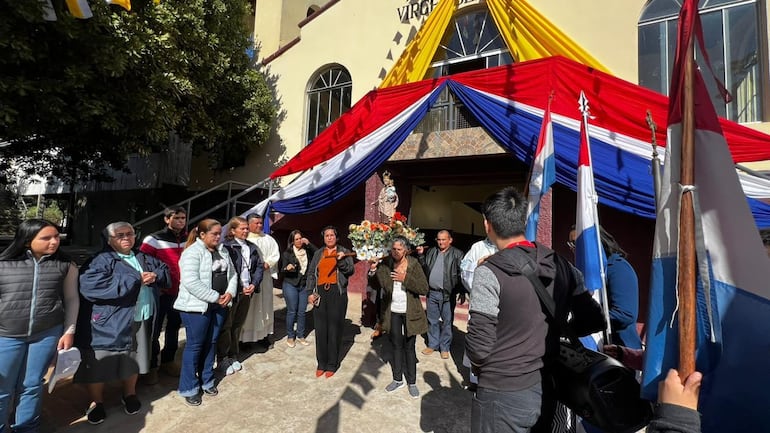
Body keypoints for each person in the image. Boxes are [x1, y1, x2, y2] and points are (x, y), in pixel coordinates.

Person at [466, 187, 604, 433]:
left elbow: (478, 349)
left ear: (487, 225)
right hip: (547, 386)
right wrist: (554, 331)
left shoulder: (489, 272)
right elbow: (594, 320)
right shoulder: (563, 265)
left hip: (502, 391)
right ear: (523, 221)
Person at [75, 222, 169, 425]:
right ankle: (96, 402)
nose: (126, 238)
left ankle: (129, 393)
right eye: (120, 235)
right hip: (110, 322)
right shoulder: (99, 260)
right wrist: (136, 279)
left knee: (134, 358)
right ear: (109, 239)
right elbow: (91, 287)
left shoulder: (143, 257)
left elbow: (164, 270)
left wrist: (156, 275)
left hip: (142, 316)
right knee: (98, 363)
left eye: (130, 234)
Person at [0, 219, 79, 433]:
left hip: (46, 334)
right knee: (2, 387)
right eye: (46, 238)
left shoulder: (66, 264)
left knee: (32, 385)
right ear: (27, 241)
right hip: (6, 336)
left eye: (56, 237)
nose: (54, 242)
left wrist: (69, 330)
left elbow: (72, 299)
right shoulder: (4, 263)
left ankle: (26, 428)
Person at [174, 219, 237, 406]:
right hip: (196, 308)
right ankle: (189, 387)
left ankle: (207, 379)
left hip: (219, 306)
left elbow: (232, 274)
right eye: (214, 234)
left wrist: (229, 293)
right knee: (195, 345)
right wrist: (215, 297)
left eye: (220, 233)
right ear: (202, 235)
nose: (219, 237)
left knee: (211, 342)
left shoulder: (223, 250)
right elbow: (191, 281)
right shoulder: (192, 253)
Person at [368, 236, 429, 398]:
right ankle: (397, 379)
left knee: (409, 347)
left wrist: (405, 278)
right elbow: (380, 286)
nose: (395, 252)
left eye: (399, 249)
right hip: (392, 311)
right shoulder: (387, 264)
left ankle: (412, 382)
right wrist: (374, 269)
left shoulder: (414, 264)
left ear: (407, 250)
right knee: (396, 345)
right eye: (393, 249)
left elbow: (424, 288)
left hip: (410, 312)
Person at [568, 226, 643, 349]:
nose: (573, 249)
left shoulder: (618, 267)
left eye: (577, 243)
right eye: (570, 244)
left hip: (619, 350)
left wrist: (589, 319)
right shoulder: (582, 273)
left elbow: (625, 314)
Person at [139, 206, 187, 383]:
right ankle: (152, 365)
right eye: (177, 218)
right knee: (154, 329)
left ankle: (168, 360)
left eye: (183, 218)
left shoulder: (188, 239)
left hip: (180, 293)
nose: (181, 221)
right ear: (167, 219)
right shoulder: (153, 240)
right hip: (159, 293)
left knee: (174, 327)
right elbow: (142, 262)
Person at [306, 226, 355, 378]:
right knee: (320, 329)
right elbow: (311, 273)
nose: (329, 238)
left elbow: (350, 270)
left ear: (337, 237)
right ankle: (321, 362)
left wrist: (340, 260)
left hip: (336, 293)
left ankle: (332, 364)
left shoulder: (344, 251)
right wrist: (309, 292)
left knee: (334, 329)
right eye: (326, 235)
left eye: (332, 235)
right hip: (320, 293)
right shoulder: (318, 253)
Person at [219, 216, 263, 374]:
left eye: (246, 228)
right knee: (227, 325)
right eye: (242, 228)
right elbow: (226, 272)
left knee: (238, 324)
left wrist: (254, 284)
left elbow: (258, 266)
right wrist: (238, 288)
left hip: (247, 292)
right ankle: (222, 358)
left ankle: (233, 354)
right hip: (233, 293)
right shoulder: (227, 247)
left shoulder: (251, 246)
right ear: (232, 230)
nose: (245, 231)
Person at [416, 230, 464, 359]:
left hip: (448, 294)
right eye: (439, 239)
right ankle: (432, 345)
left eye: (443, 239)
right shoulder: (432, 251)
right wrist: (421, 255)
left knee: (447, 321)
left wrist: (462, 291)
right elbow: (425, 268)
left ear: (450, 240)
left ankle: (445, 347)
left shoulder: (457, 254)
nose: (441, 242)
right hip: (432, 293)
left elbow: (461, 275)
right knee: (432, 321)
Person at [459, 237, 498, 391]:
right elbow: (464, 270)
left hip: (501, 306)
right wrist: (479, 266)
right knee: (478, 340)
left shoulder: (509, 247)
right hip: (480, 304)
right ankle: (474, 381)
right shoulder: (478, 247)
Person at [241, 214, 280, 348]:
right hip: (250, 280)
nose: (259, 225)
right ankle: (245, 339)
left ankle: (262, 335)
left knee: (265, 307)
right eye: (256, 223)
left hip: (265, 279)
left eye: (260, 223)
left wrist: (267, 264)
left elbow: (275, 254)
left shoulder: (268, 239)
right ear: (249, 224)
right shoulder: (244, 239)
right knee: (250, 309)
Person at [280, 229, 317, 348]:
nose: (299, 241)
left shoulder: (307, 251)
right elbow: (282, 270)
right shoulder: (287, 253)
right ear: (292, 241)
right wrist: (287, 268)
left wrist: (309, 243)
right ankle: (290, 336)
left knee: (302, 312)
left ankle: (301, 335)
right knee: (292, 311)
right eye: (296, 239)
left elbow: (318, 254)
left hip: (304, 285)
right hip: (291, 284)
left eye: (300, 238)